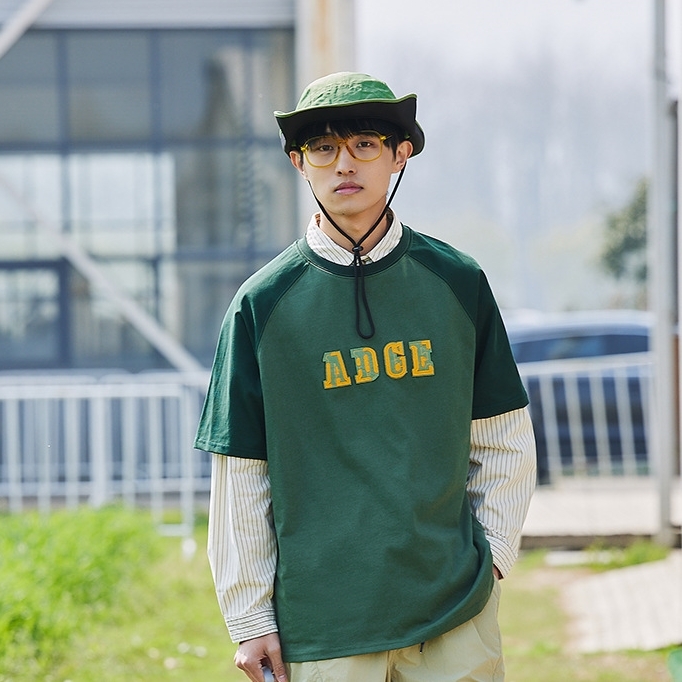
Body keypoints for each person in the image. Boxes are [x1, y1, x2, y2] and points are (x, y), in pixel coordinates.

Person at [194, 71, 537, 682]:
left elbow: (502, 435)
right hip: (324, 624)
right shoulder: (261, 306)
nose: (344, 163)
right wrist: (250, 618)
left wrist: (493, 560)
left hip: (455, 610)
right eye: (323, 148)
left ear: (400, 154)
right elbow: (242, 474)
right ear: (299, 163)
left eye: (364, 144)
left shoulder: (458, 282)